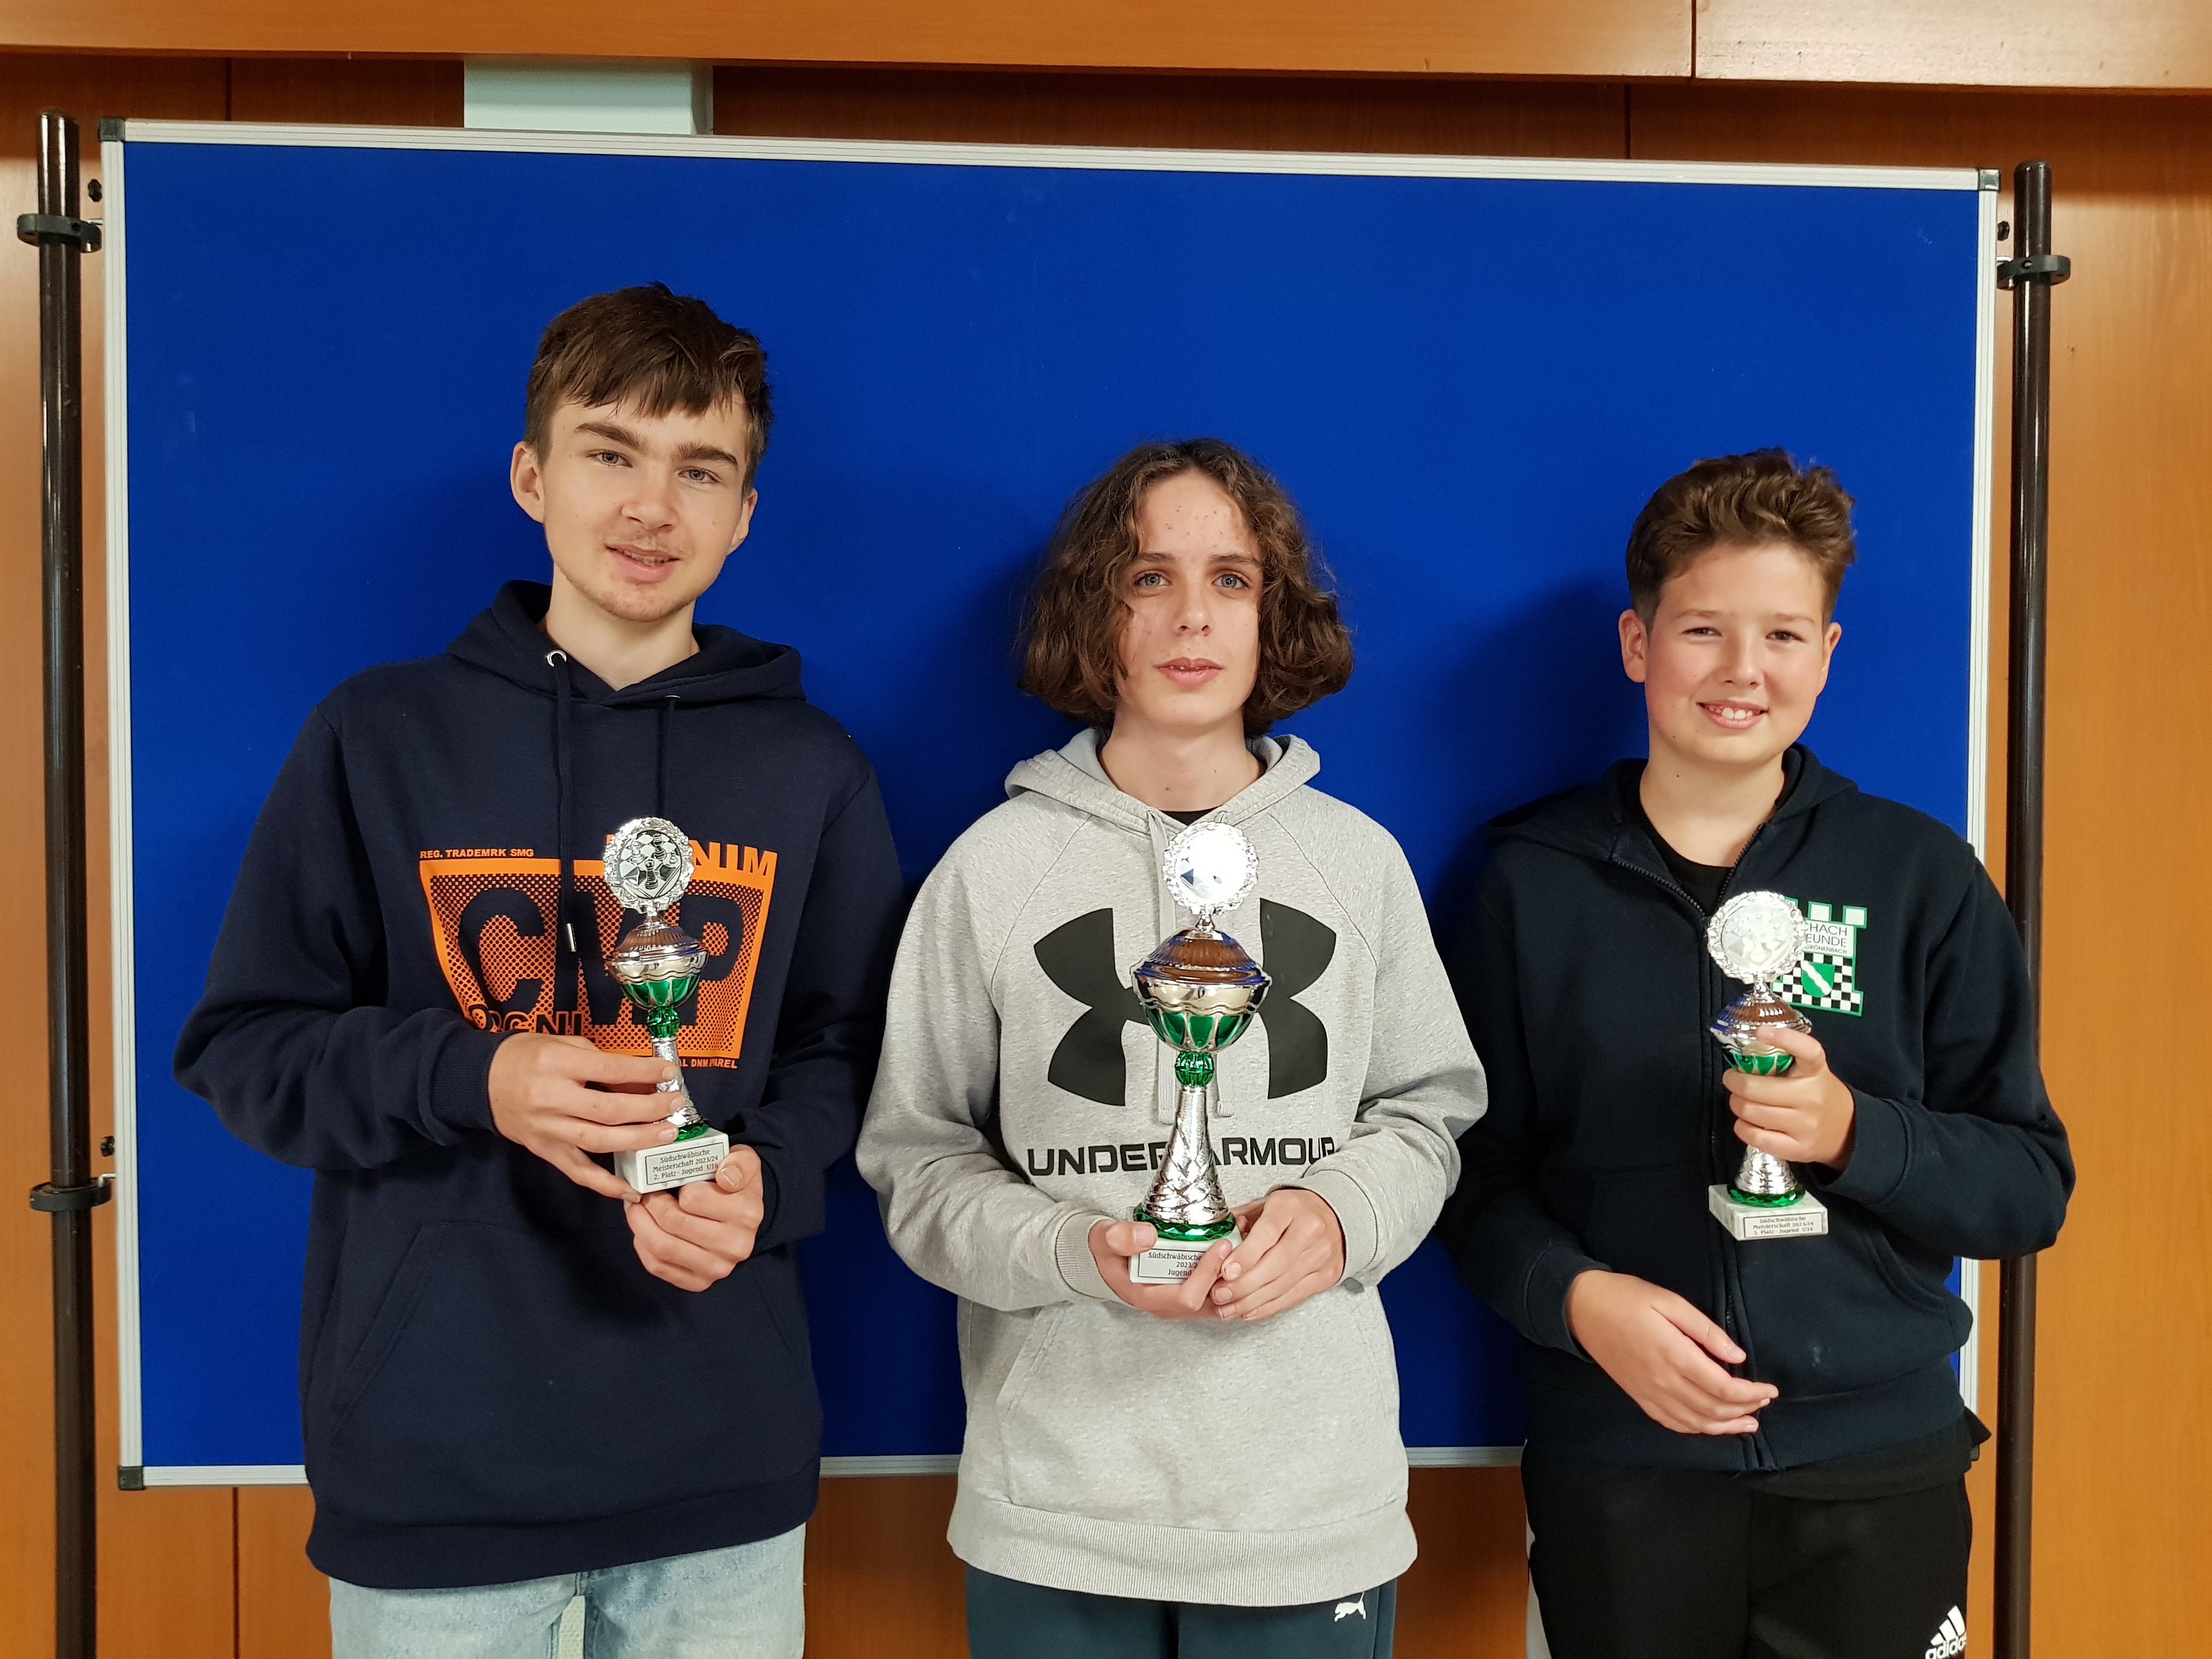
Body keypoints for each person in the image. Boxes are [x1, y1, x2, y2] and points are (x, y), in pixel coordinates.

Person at [174, 285, 904, 1658]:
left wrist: (769, 1176)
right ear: (532, 477)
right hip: (434, 1474)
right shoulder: (377, 736)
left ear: (745, 513)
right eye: (610, 452)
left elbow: (856, 1057)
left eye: (701, 470)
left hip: (721, 1478)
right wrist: (478, 1077)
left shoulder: (811, 768)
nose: (652, 507)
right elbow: (246, 1046)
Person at [1436, 449, 2073, 1659]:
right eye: (1703, 631)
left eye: (1783, 635)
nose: (1743, 671)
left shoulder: (1921, 877)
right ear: (1638, 645)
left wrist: (1854, 1134)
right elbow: (1467, 1170)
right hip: (1621, 1468)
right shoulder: (1528, 884)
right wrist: (1577, 1299)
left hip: (1876, 1470)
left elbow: (2027, 1185)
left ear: (1826, 656)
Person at [857, 438, 1485, 1659]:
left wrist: (1340, 1214)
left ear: (1272, 613)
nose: (1193, 615)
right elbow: (917, 1161)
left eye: (1232, 579)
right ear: (1094, 612)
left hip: (1307, 1506)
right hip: (1056, 1507)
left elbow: (1430, 1111)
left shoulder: (1357, 864)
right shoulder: (991, 872)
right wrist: (1075, 1253)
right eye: (1149, 577)